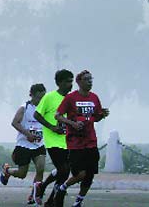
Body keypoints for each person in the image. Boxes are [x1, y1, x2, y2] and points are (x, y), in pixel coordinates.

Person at [53, 70, 109, 207]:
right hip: (75, 142)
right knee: (80, 174)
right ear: (79, 82)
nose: (90, 82)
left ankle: (79, 200)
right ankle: (62, 187)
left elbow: (95, 117)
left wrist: (102, 114)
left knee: (90, 175)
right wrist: (72, 123)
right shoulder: (71, 98)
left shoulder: (94, 98)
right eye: (86, 79)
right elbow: (58, 115)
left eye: (91, 79)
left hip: (91, 141)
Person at [0, 84, 47, 205]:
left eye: (43, 98)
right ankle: (7, 170)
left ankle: (33, 195)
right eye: (38, 98)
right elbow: (15, 123)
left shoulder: (45, 109)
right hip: (24, 145)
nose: (40, 101)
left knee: (40, 168)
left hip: (39, 144)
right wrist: (27, 134)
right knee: (22, 174)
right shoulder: (24, 108)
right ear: (31, 95)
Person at [33, 69, 74, 206]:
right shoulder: (49, 97)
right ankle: (52, 196)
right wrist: (51, 127)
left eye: (72, 81)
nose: (70, 84)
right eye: (68, 82)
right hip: (53, 141)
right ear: (60, 83)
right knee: (63, 170)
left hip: (68, 140)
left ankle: (50, 198)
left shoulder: (72, 98)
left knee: (65, 172)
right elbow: (37, 115)